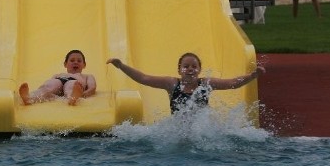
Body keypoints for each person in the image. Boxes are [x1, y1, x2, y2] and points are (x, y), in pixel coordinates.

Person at [106, 53, 265, 114]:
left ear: (199, 70)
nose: (190, 69)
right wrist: (121, 66)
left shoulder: (206, 83)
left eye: (194, 66)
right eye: (186, 66)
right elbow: (144, 78)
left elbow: (232, 84)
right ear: (179, 69)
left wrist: (252, 76)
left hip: (200, 133)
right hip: (179, 132)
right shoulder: (171, 84)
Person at [19, 49, 97, 106]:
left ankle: (72, 98)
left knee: (71, 85)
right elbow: (47, 84)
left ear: (84, 65)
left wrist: (83, 94)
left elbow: (92, 88)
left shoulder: (87, 76)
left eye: (79, 61)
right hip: (59, 80)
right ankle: (29, 98)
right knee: (50, 86)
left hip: (74, 83)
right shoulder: (58, 75)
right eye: (72, 60)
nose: (75, 62)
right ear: (65, 64)